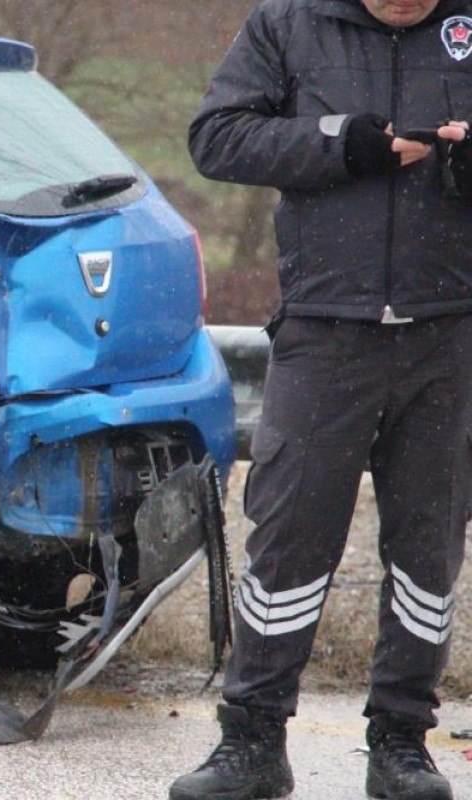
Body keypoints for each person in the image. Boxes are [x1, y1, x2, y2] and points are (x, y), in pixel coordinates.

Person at [173, 2, 472, 799]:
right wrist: (343, 144)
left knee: (429, 547)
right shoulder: (288, 22)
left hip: (449, 333)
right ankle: (252, 742)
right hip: (323, 326)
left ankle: (402, 746)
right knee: (289, 537)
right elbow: (216, 138)